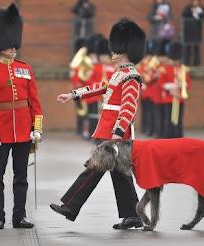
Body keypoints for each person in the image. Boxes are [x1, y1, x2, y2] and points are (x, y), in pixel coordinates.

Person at [50, 17, 146, 230]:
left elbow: (128, 108)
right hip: (112, 130)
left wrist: (116, 133)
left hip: (116, 133)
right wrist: (73, 95)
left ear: (123, 51)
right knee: (121, 174)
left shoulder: (131, 76)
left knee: (94, 168)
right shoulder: (120, 74)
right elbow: (101, 87)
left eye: (115, 50)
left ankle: (70, 205)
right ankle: (133, 215)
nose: (111, 54)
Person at [0, 3, 43, 229]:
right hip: (1, 129)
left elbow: (34, 102)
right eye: (9, 46)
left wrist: (36, 127)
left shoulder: (25, 68)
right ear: (0, 46)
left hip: (24, 129)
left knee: (21, 177)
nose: (13, 49)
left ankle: (19, 215)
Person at [158, 42, 191, 138]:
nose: (176, 61)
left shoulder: (183, 69)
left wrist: (182, 85)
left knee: (178, 119)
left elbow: (188, 83)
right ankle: (169, 137)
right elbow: (161, 83)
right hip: (169, 97)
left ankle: (178, 136)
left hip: (179, 97)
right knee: (169, 119)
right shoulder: (165, 69)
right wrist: (172, 87)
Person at [181, 0, 204, 66]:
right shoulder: (188, 8)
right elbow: (183, 15)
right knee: (187, 47)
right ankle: (186, 63)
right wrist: (192, 11)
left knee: (196, 48)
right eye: (194, 1)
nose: (195, 2)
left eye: (197, 1)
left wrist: (199, 12)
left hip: (197, 31)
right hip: (188, 31)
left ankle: (197, 63)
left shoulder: (201, 9)